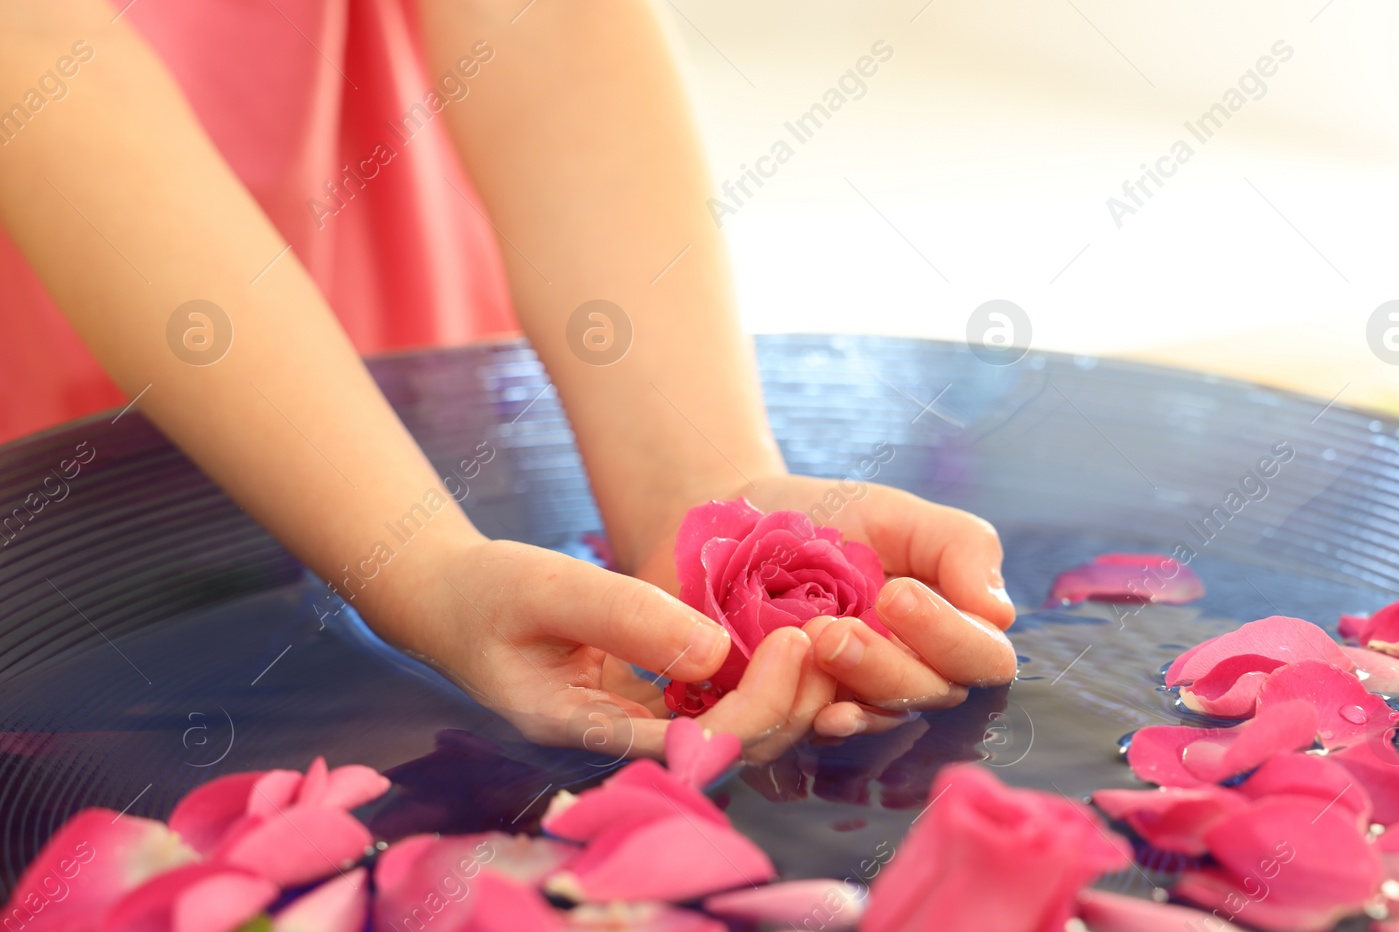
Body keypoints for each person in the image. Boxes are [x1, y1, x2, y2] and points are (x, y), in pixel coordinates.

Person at [0, 0, 1017, 760]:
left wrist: (697, 492)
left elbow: (550, 27)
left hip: (369, 316)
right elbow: (38, 60)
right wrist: (420, 566)